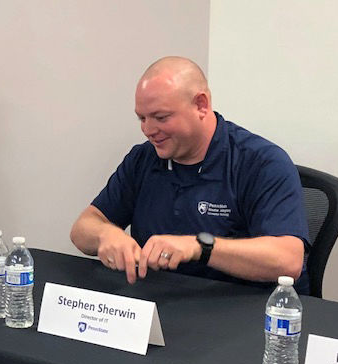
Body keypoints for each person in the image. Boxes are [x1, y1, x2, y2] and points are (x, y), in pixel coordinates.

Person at [70, 56, 309, 291]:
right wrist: (106, 235)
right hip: (160, 303)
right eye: (142, 118)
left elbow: (288, 260)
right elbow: (82, 228)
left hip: (239, 312)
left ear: (201, 105)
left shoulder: (262, 163)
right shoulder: (143, 159)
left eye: (161, 117)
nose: (148, 130)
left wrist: (200, 248)